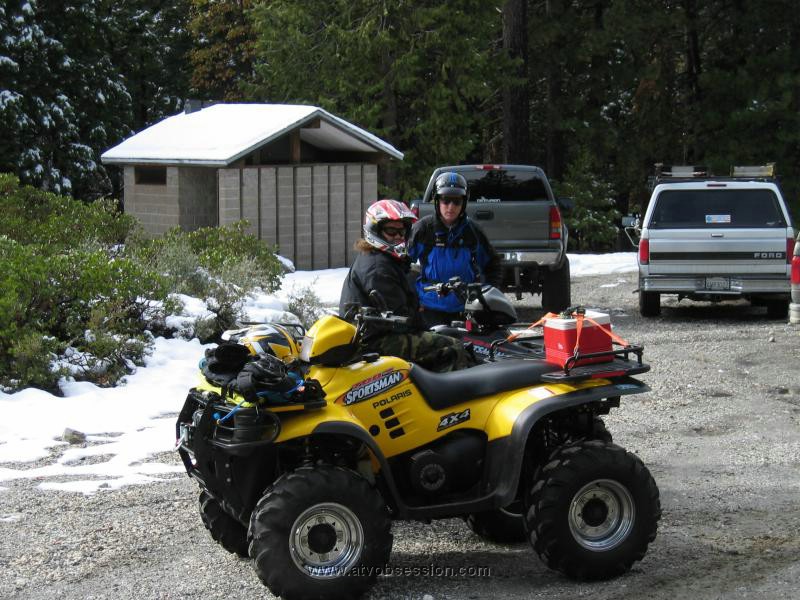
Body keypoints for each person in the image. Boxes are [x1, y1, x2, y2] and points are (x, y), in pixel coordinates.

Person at [339, 199, 476, 372]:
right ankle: (451, 396)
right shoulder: (377, 268)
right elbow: (401, 317)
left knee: (445, 334)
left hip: (375, 334)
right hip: (374, 342)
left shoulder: (381, 259)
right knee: (453, 346)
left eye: (402, 231)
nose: (398, 236)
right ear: (376, 231)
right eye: (391, 230)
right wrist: (424, 323)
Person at [408, 171, 502, 328]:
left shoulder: (472, 231)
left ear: (463, 203)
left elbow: (492, 265)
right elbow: (402, 265)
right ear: (437, 201)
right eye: (445, 200)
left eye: (456, 201)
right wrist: (411, 300)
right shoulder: (423, 229)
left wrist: (488, 297)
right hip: (430, 307)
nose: (450, 206)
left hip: (465, 308)